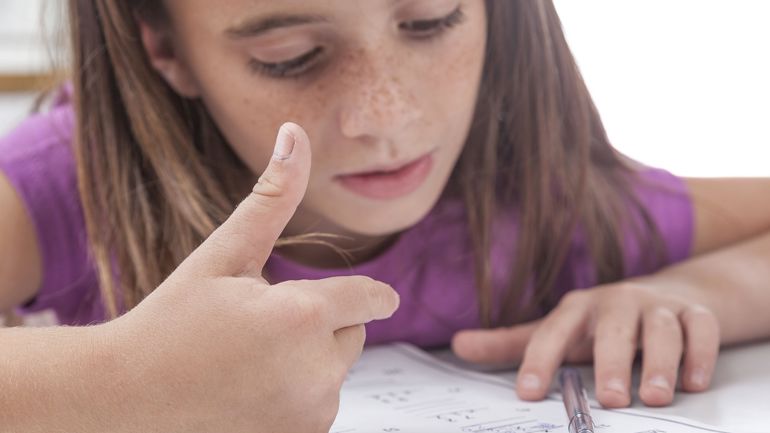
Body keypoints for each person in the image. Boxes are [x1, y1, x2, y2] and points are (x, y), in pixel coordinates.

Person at [0, 0, 768, 431]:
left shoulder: (550, 212)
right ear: (165, 48)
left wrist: (696, 289)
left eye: (433, 20)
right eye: (291, 55)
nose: (387, 116)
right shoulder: (60, 191)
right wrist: (123, 384)